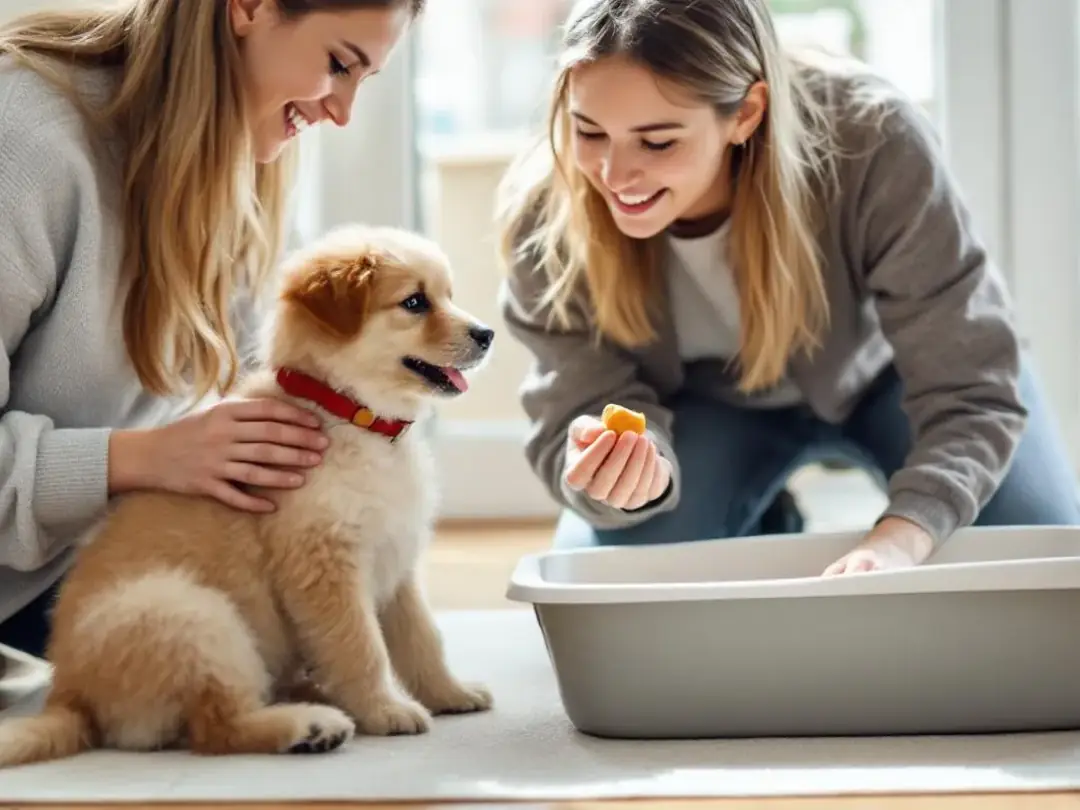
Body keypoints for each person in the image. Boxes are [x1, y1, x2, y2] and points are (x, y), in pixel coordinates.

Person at [495, 0, 1080, 574]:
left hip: (892, 375)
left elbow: (970, 386)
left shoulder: (875, 140)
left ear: (746, 114)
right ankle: (764, 519)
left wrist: (902, 539)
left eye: (657, 141)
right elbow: (575, 404)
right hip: (702, 408)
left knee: (1036, 545)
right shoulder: (546, 218)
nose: (614, 176)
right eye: (588, 130)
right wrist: (618, 473)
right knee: (612, 580)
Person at [0, 0, 423, 658]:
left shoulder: (246, 159)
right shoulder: (24, 142)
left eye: (362, 81)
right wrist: (143, 459)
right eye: (338, 64)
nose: (340, 113)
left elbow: (255, 385)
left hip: (79, 566)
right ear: (248, 8)